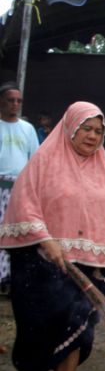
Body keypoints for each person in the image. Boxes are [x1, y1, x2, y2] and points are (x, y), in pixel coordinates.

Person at [0, 101, 105, 371]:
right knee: (36, 334)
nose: (93, 136)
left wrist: (100, 265)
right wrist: (45, 239)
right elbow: (24, 203)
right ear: (70, 127)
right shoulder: (45, 161)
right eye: (87, 129)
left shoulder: (103, 167)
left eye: (99, 131)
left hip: (84, 268)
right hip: (38, 263)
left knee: (77, 332)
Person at [0, 82, 39, 293]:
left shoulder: (27, 128)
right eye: (10, 100)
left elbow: (35, 160)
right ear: (1, 102)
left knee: (17, 234)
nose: (15, 104)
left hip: (20, 189)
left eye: (18, 101)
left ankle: (11, 278)